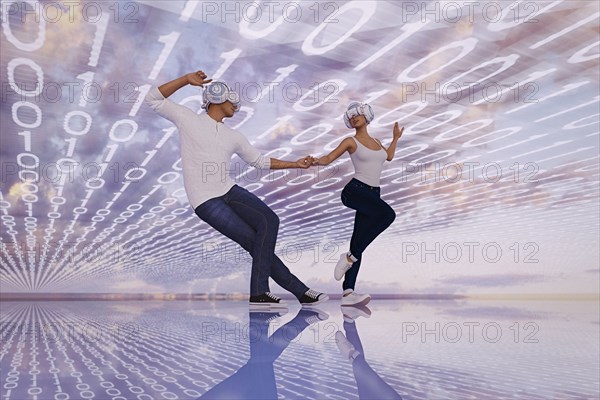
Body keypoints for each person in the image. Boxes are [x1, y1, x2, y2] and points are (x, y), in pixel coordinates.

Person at [144, 70, 329, 309]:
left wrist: (296, 164)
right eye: (233, 101)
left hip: (229, 190)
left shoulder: (234, 135)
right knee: (254, 242)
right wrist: (185, 80)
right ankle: (270, 293)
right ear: (218, 97)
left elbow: (260, 161)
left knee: (269, 221)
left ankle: (292, 293)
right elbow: (152, 99)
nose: (237, 106)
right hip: (205, 201)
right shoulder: (188, 119)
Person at [313, 102, 403, 306]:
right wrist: (316, 161)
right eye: (350, 116)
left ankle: (348, 294)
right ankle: (350, 257)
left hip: (373, 195)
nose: (354, 117)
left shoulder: (378, 142)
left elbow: (388, 157)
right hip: (355, 191)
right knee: (388, 215)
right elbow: (328, 158)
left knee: (358, 239)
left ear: (367, 116)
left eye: (357, 114)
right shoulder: (350, 141)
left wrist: (396, 138)